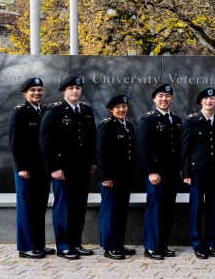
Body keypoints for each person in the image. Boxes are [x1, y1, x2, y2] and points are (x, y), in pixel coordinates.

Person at [39, 75, 97, 260]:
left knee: (79, 207)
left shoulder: (87, 110)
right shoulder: (55, 110)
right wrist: (54, 167)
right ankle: (63, 246)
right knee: (63, 207)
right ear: (64, 91)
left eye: (78, 88)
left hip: (82, 168)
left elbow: (91, 138)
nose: (75, 91)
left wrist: (93, 161)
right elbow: (46, 141)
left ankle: (76, 243)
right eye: (71, 88)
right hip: (62, 169)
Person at [9, 77, 53, 259]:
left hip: (42, 168)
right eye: (33, 90)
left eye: (39, 90)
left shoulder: (44, 111)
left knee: (39, 207)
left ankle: (38, 244)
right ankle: (26, 247)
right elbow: (15, 142)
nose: (36, 93)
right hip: (26, 169)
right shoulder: (20, 112)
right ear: (25, 93)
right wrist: (21, 167)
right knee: (26, 207)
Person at [139, 83, 182, 260]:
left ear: (171, 98)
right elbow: (143, 148)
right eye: (161, 96)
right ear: (154, 99)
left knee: (167, 211)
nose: (164, 99)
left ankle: (162, 246)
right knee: (155, 210)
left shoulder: (177, 120)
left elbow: (178, 148)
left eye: (167, 96)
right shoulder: (148, 119)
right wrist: (150, 171)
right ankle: (151, 247)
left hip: (172, 174)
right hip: (156, 174)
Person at [181, 88, 215, 259]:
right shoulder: (191, 121)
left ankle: (211, 243)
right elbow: (185, 149)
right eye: (205, 99)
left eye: (212, 98)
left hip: (214, 173)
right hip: (196, 172)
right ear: (200, 102)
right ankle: (198, 244)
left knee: (212, 209)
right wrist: (186, 173)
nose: (209, 101)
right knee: (196, 209)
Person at [96, 95, 136, 260]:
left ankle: (118, 245)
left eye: (124, 106)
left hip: (124, 177)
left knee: (121, 212)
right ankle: (109, 247)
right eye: (118, 107)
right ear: (111, 110)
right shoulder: (106, 126)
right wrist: (105, 177)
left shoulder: (129, 126)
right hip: (110, 179)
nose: (122, 110)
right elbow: (101, 154)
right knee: (110, 213)